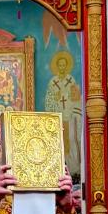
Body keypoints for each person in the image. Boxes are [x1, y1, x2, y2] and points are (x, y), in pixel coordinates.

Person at [43, 50, 83, 180]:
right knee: (58, 142)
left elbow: (75, 97)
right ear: (57, 66)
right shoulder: (52, 81)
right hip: (57, 118)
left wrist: (71, 101)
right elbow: (49, 100)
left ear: (66, 66)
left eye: (63, 65)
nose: (62, 67)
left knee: (71, 140)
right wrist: (55, 98)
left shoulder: (70, 80)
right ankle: (59, 170)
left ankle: (75, 170)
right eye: (59, 65)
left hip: (70, 117)